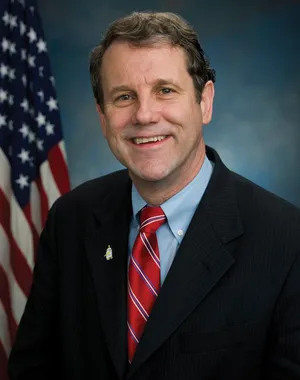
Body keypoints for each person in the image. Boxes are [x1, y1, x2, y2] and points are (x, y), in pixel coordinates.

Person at [8, 11, 300, 380]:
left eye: (165, 90)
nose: (144, 115)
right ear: (102, 115)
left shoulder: (287, 239)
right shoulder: (71, 217)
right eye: (124, 96)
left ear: (204, 101)